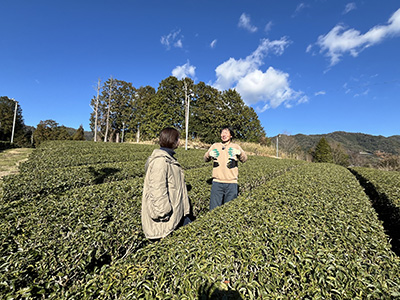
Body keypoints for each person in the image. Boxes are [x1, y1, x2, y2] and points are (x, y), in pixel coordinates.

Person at [141, 127, 191, 240]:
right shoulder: (160, 161)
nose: (180, 141)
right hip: (166, 221)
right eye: (178, 138)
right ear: (172, 140)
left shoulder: (169, 159)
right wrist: (164, 213)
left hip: (177, 215)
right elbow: (157, 189)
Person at [204, 126, 247, 210]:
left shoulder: (236, 146)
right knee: (213, 210)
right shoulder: (215, 146)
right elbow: (205, 159)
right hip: (217, 182)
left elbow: (244, 159)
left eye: (226, 133)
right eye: (222, 133)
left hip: (231, 183)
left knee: (229, 210)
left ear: (231, 135)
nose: (224, 135)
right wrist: (208, 155)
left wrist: (240, 153)